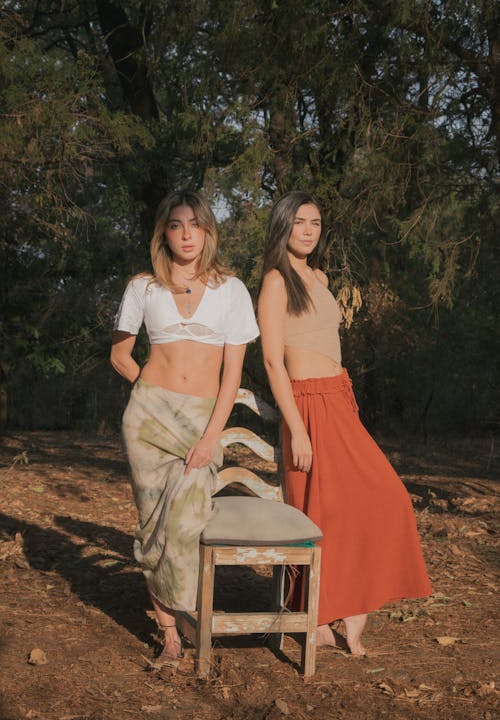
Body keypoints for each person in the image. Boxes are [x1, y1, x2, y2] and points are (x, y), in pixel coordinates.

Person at [258, 191, 431, 656]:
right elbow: (273, 361)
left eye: (315, 222)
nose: (309, 230)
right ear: (283, 226)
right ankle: (317, 617)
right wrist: (296, 427)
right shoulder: (276, 281)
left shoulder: (320, 276)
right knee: (320, 512)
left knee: (386, 496)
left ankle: (354, 606)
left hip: (338, 398)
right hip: (307, 405)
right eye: (300, 222)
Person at [111, 190, 259, 664]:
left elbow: (232, 375)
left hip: (201, 418)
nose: (187, 233)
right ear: (164, 233)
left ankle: (190, 615)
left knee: (187, 517)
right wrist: (148, 397)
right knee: (153, 525)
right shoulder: (143, 287)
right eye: (176, 225)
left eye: (195, 224)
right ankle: (171, 634)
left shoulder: (231, 290)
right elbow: (119, 354)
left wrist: (212, 434)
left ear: (208, 231)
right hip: (148, 420)